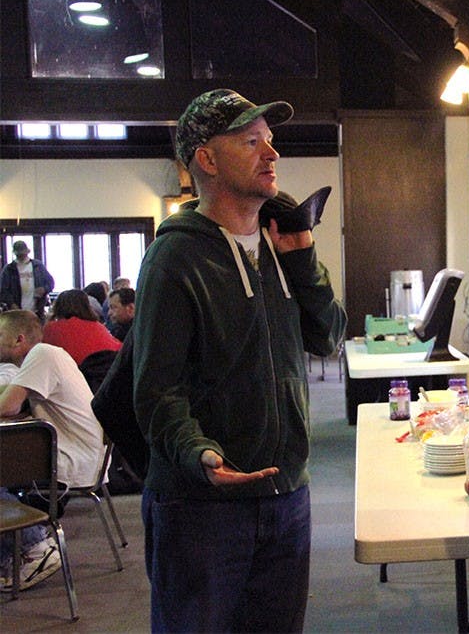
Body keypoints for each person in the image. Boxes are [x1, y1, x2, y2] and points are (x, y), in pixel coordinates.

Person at [134, 88, 339, 633]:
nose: (272, 154)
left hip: (285, 496)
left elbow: (329, 339)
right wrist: (198, 452)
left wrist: (305, 263)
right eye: (251, 142)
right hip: (202, 507)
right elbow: (156, 390)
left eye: (270, 141)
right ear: (207, 159)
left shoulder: (281, 245)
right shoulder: (174, 256)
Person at [0, 310, 106, 592]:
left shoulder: (42, 354)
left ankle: (36, 546)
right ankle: (15, 553)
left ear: (18, 339)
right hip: (82, 457)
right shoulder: (45, 357)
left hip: (71, 463)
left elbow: (8, 406)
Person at [42, 289, 122, 365]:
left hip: (78, 374)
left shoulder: (52, 329)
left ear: (58, 308)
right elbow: (118, 347)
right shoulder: (98, 326)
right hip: (111, 372)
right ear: (87, 306)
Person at [0, 241, 54, 318]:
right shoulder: (9, 269)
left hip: (37, 311)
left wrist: (44, 289)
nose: (21, 255)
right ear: (15, 253)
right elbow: (3, 290)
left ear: (27, 252)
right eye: (19, 254)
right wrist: (11, 304)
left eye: (22, 253)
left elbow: (51, 283)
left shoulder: (38, 266)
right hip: (17, 312)